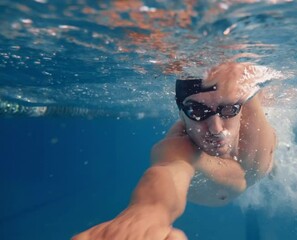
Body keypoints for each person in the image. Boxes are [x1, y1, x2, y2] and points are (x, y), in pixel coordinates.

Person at [72, 62, 277, 240]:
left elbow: (240, 180)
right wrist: (145, 214)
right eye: (197, 111)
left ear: (240, 108)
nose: (216, 128)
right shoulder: (178, 146)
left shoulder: (255, 130)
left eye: (229, 110)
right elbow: (166, 170)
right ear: (181, 114)